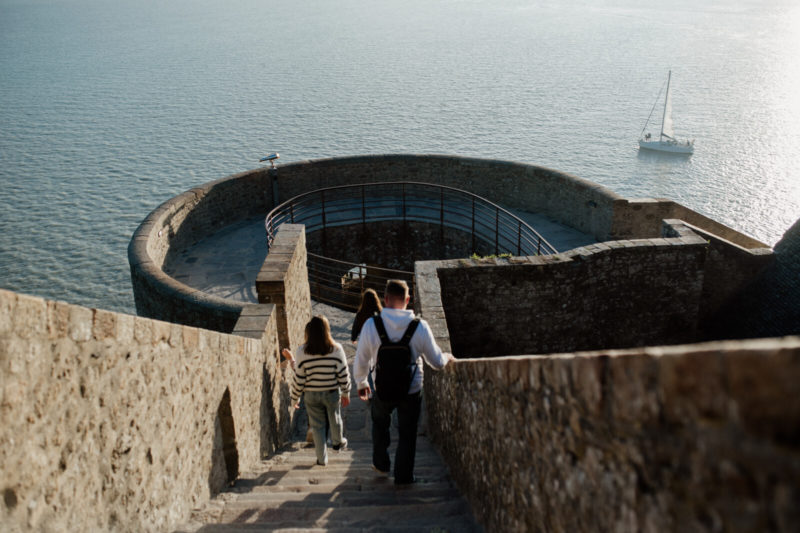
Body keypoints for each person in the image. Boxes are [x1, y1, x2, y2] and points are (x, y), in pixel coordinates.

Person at [353, 279, 456, 485]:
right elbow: (436, 362)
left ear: (386, 298)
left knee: (380, 424)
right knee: (407, 433)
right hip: (411, 389)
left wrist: (361, 383)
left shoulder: (372, 325)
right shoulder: (420, 327)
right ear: (408, 300)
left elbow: (361, 360)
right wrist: (446, 357)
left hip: (382, 387)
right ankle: (403, 476)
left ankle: (381, 465)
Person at [284, 315, 351, 466]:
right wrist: (346, 392)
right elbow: (343, 373)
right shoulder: (336, 349)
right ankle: (338, 441)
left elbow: (299, 378)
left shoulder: (302, 351)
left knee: (317, 427)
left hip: (311, 395)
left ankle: (322, 459)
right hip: (332, 392)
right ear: (327, 330)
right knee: (335, 417)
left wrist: (295, 398)